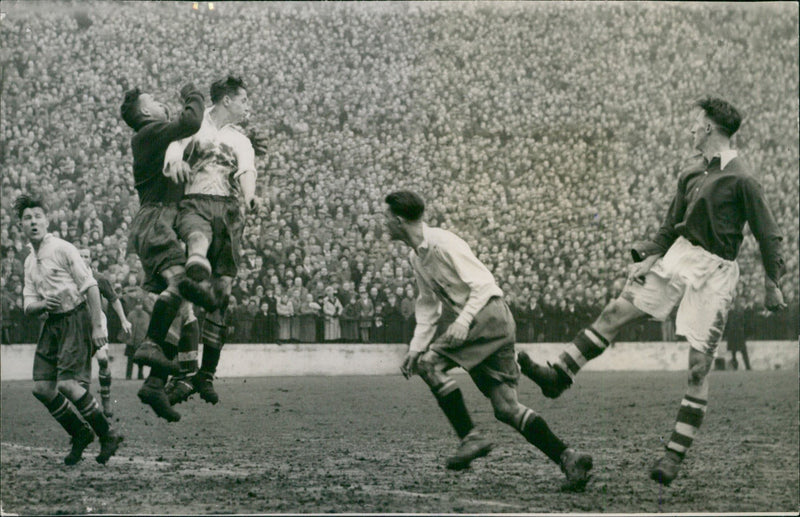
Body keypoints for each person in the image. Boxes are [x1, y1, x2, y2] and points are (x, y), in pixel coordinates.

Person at [518, 97, 786, 486]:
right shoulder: (690, 171)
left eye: (696, 124)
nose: (691, 130)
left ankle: (673, 455)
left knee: (697, 367)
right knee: (615, 312)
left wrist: (772, 282)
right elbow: (668, 226)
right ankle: (558, 375)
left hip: (715, 273)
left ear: (710, 128)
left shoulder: (742, 178)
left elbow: (768, 232)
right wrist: (647, 256)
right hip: (678, 257)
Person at [384, 191, 592, 490]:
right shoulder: (416, 257)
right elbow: (428, 304)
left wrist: (464, 320)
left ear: (399, 220)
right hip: (491, 323)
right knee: (506, 408)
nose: (384, 224)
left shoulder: (444, 243)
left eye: (386, 218)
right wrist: (416, 347)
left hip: (487, 315)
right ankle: (569, 457)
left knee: (430, 366)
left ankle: (471, 437)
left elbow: (484, 285)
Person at [163, 75, 258, 405]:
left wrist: (250, 197)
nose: (248, 105)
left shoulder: (240, 140)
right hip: (196, 201)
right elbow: (173, 148)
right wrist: (174, 160)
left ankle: (205, 375)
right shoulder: (193, 126)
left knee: (223, 294)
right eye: (244, 99)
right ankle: (185, 373)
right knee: (195, 251)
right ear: (227, 100)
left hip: (230, 213)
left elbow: (247, 171)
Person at [120, 82, 206, 422]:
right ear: (145, 112)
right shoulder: (149, 132)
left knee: (186, 310)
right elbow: (191, 122)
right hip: (156, 220)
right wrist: (192, 94)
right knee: (185, 289)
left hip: (160, 222)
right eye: (154, 100)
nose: (160, 103)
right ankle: (153, 347)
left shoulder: (155, 138)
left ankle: (155, 384)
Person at [17, 194, 123, 465]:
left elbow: (91, 286)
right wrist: (41, 304)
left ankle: (107, 433)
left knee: (67, 384)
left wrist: (98, 326)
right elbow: (28, 304)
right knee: (42, 388)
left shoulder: (62, 248)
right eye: (27, 218)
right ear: (21, 225)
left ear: (47, 220)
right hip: (51, 323)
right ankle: (80, 433)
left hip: (75, 319)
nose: (33, 222)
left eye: (38, 216)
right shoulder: (30, 262)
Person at [78, 248, 133, 417]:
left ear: (91, 260)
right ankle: (85, 406)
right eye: (80, 256)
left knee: (102, 360)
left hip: (98, 323)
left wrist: (123, 319)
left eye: (86, 256)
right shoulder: (70, 278)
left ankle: (106, 400)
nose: (83, 258)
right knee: (82, 366)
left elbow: (114, 299)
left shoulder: (99, 278)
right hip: (78, 324)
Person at [724, 297, 750, 370]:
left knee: (736, 352)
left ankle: (742, 367)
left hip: (735, 334)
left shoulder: (734, 312)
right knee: (740, 352)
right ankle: (746, 367)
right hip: (736, 334)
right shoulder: (738, 312)